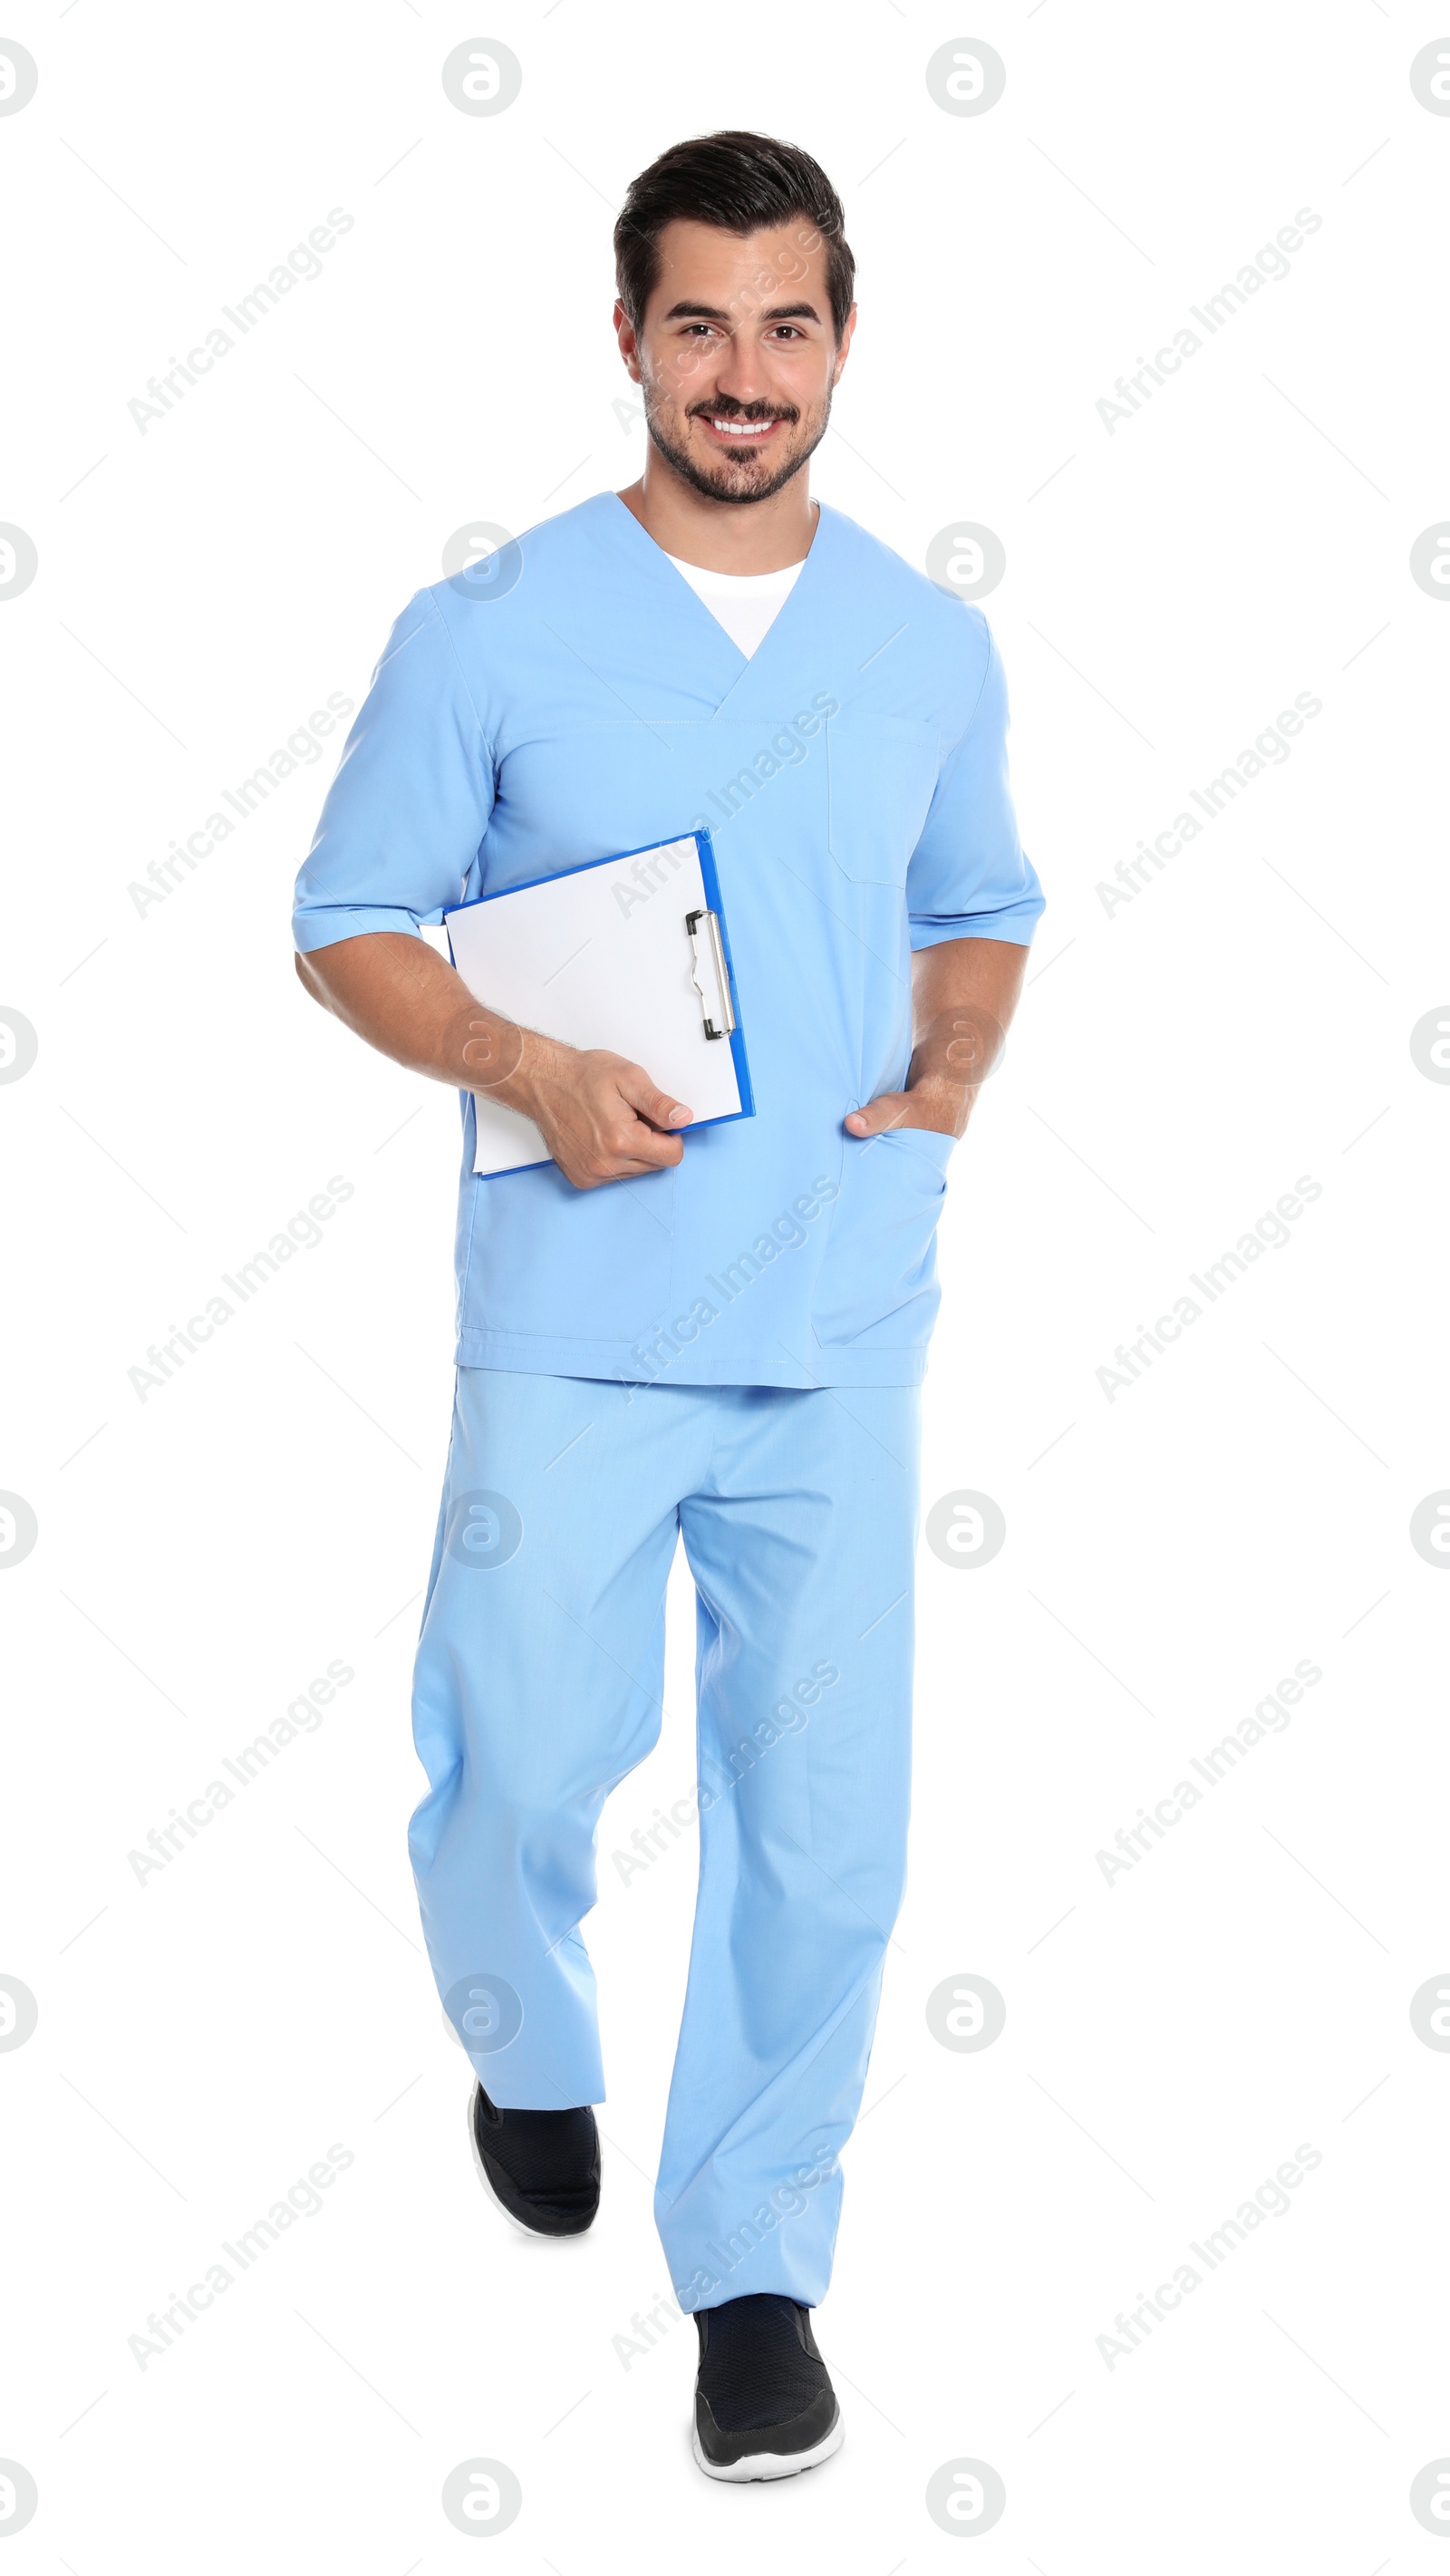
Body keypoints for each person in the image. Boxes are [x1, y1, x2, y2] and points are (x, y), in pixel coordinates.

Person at [293, 128, 1044, 2484]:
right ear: (627, 333)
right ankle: (526, 2034)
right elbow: (348, 918)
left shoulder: (927, 642)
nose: (745, 371)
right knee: (519, 1749)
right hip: (578, 1314)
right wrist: (521, 1056)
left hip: (839, 1325)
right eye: (698, 321)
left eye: (788, 322)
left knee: (824, 1825)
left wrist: (942, 1072)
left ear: (843, 339)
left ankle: (754, 2259)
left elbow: (983, 892)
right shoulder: (493, 626)